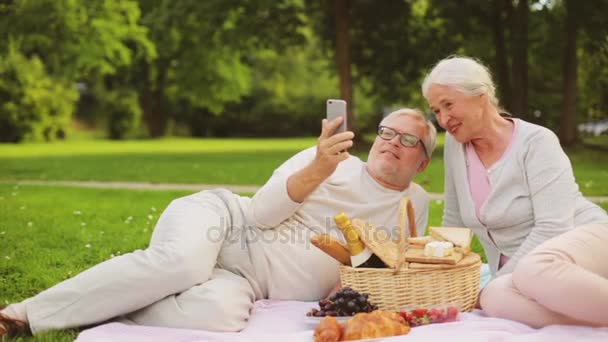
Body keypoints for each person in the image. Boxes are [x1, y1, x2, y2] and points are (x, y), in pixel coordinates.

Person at [0, 108, 437, 337]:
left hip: (246, 282)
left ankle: (104, 303)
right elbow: (262, 213)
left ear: (423, 162)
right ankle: (21, 316)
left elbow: (394, 272)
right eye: (385, 132)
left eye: (408, 139)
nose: (392, 143)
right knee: (182, 265)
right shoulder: (329, 158)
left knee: (218, 317)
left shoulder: (414, 206)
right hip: (224, 221)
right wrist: (317, 169)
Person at [422, 55, 608, 327]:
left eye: (448, 105)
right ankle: (593, 322)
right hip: (530, 276)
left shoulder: (536, 141)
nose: (442, 119)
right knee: (495, 297)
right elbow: (454, 221)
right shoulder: (454, 145)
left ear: (481, 97)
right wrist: (437, 276)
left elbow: (553, 226)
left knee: (530, 271)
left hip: (586, 242)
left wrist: (499, 278)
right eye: (436, 110)